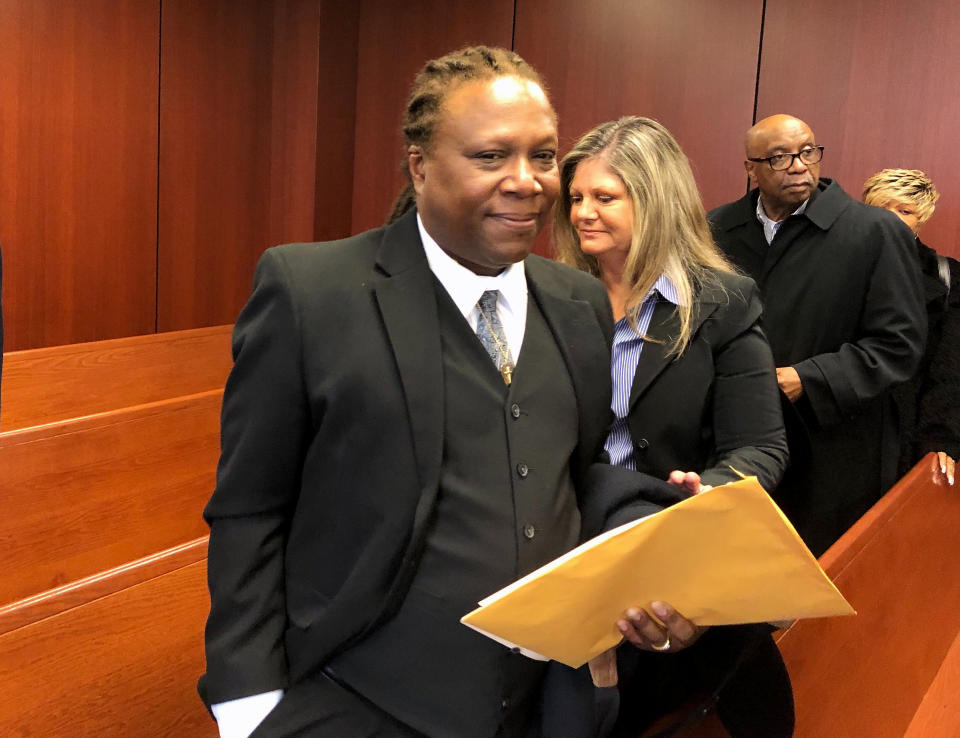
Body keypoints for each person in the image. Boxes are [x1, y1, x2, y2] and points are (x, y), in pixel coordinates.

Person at [200, 46, 682, 738]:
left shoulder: (577, 304)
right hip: (356, 697)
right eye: (491, 157)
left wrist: (656, 533)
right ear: (420, 165)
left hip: (539, 704)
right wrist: (248, 709)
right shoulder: (312, 293)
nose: (527, 182)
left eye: (544, 157)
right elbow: (251, 505)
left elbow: (568, 476)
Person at [554, 116, 793, 737]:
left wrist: (707, 495)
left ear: (655, 200)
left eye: (604, 197)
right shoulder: (546, 299)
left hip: (679, 555)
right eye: (575, 197)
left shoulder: (725, 303)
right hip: (572, 557)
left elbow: (760, 447)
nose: (582, 212)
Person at [708, 114, 927, 556]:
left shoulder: (874, 232)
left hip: (834, 448)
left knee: (816, 593)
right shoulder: (716, 230)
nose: (798, 165)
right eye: (779, 157)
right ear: (751, 168)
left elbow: (899, 344)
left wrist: (806, 378)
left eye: (808, 152)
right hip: (733, 440)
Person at [862, 169, 958, 483]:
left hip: (907, 427)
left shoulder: (946, 277)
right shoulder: (835, 265)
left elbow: (949, 370)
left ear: (921, 219)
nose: (892, 219)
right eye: (882, 208)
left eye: (905, 211)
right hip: (844, 424)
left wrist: (939, 440)